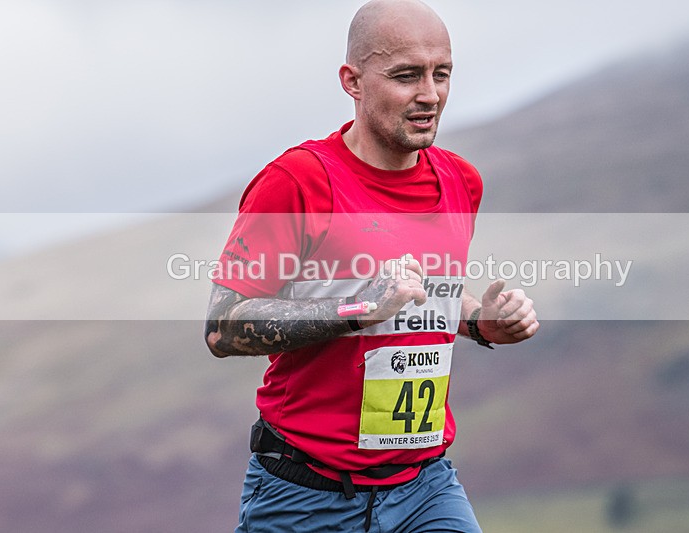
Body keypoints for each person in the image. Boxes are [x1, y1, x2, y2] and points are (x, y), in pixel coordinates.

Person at [205, 1, 539, 531]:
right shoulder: (298, 181)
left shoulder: (461, 182)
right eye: (406, 76)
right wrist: (361, 307)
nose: (429, 94)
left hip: (424, 486)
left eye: (441, 73)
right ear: (352, 81)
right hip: (305, 491)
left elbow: (428, 295)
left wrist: (481, 322)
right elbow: (223, 327)